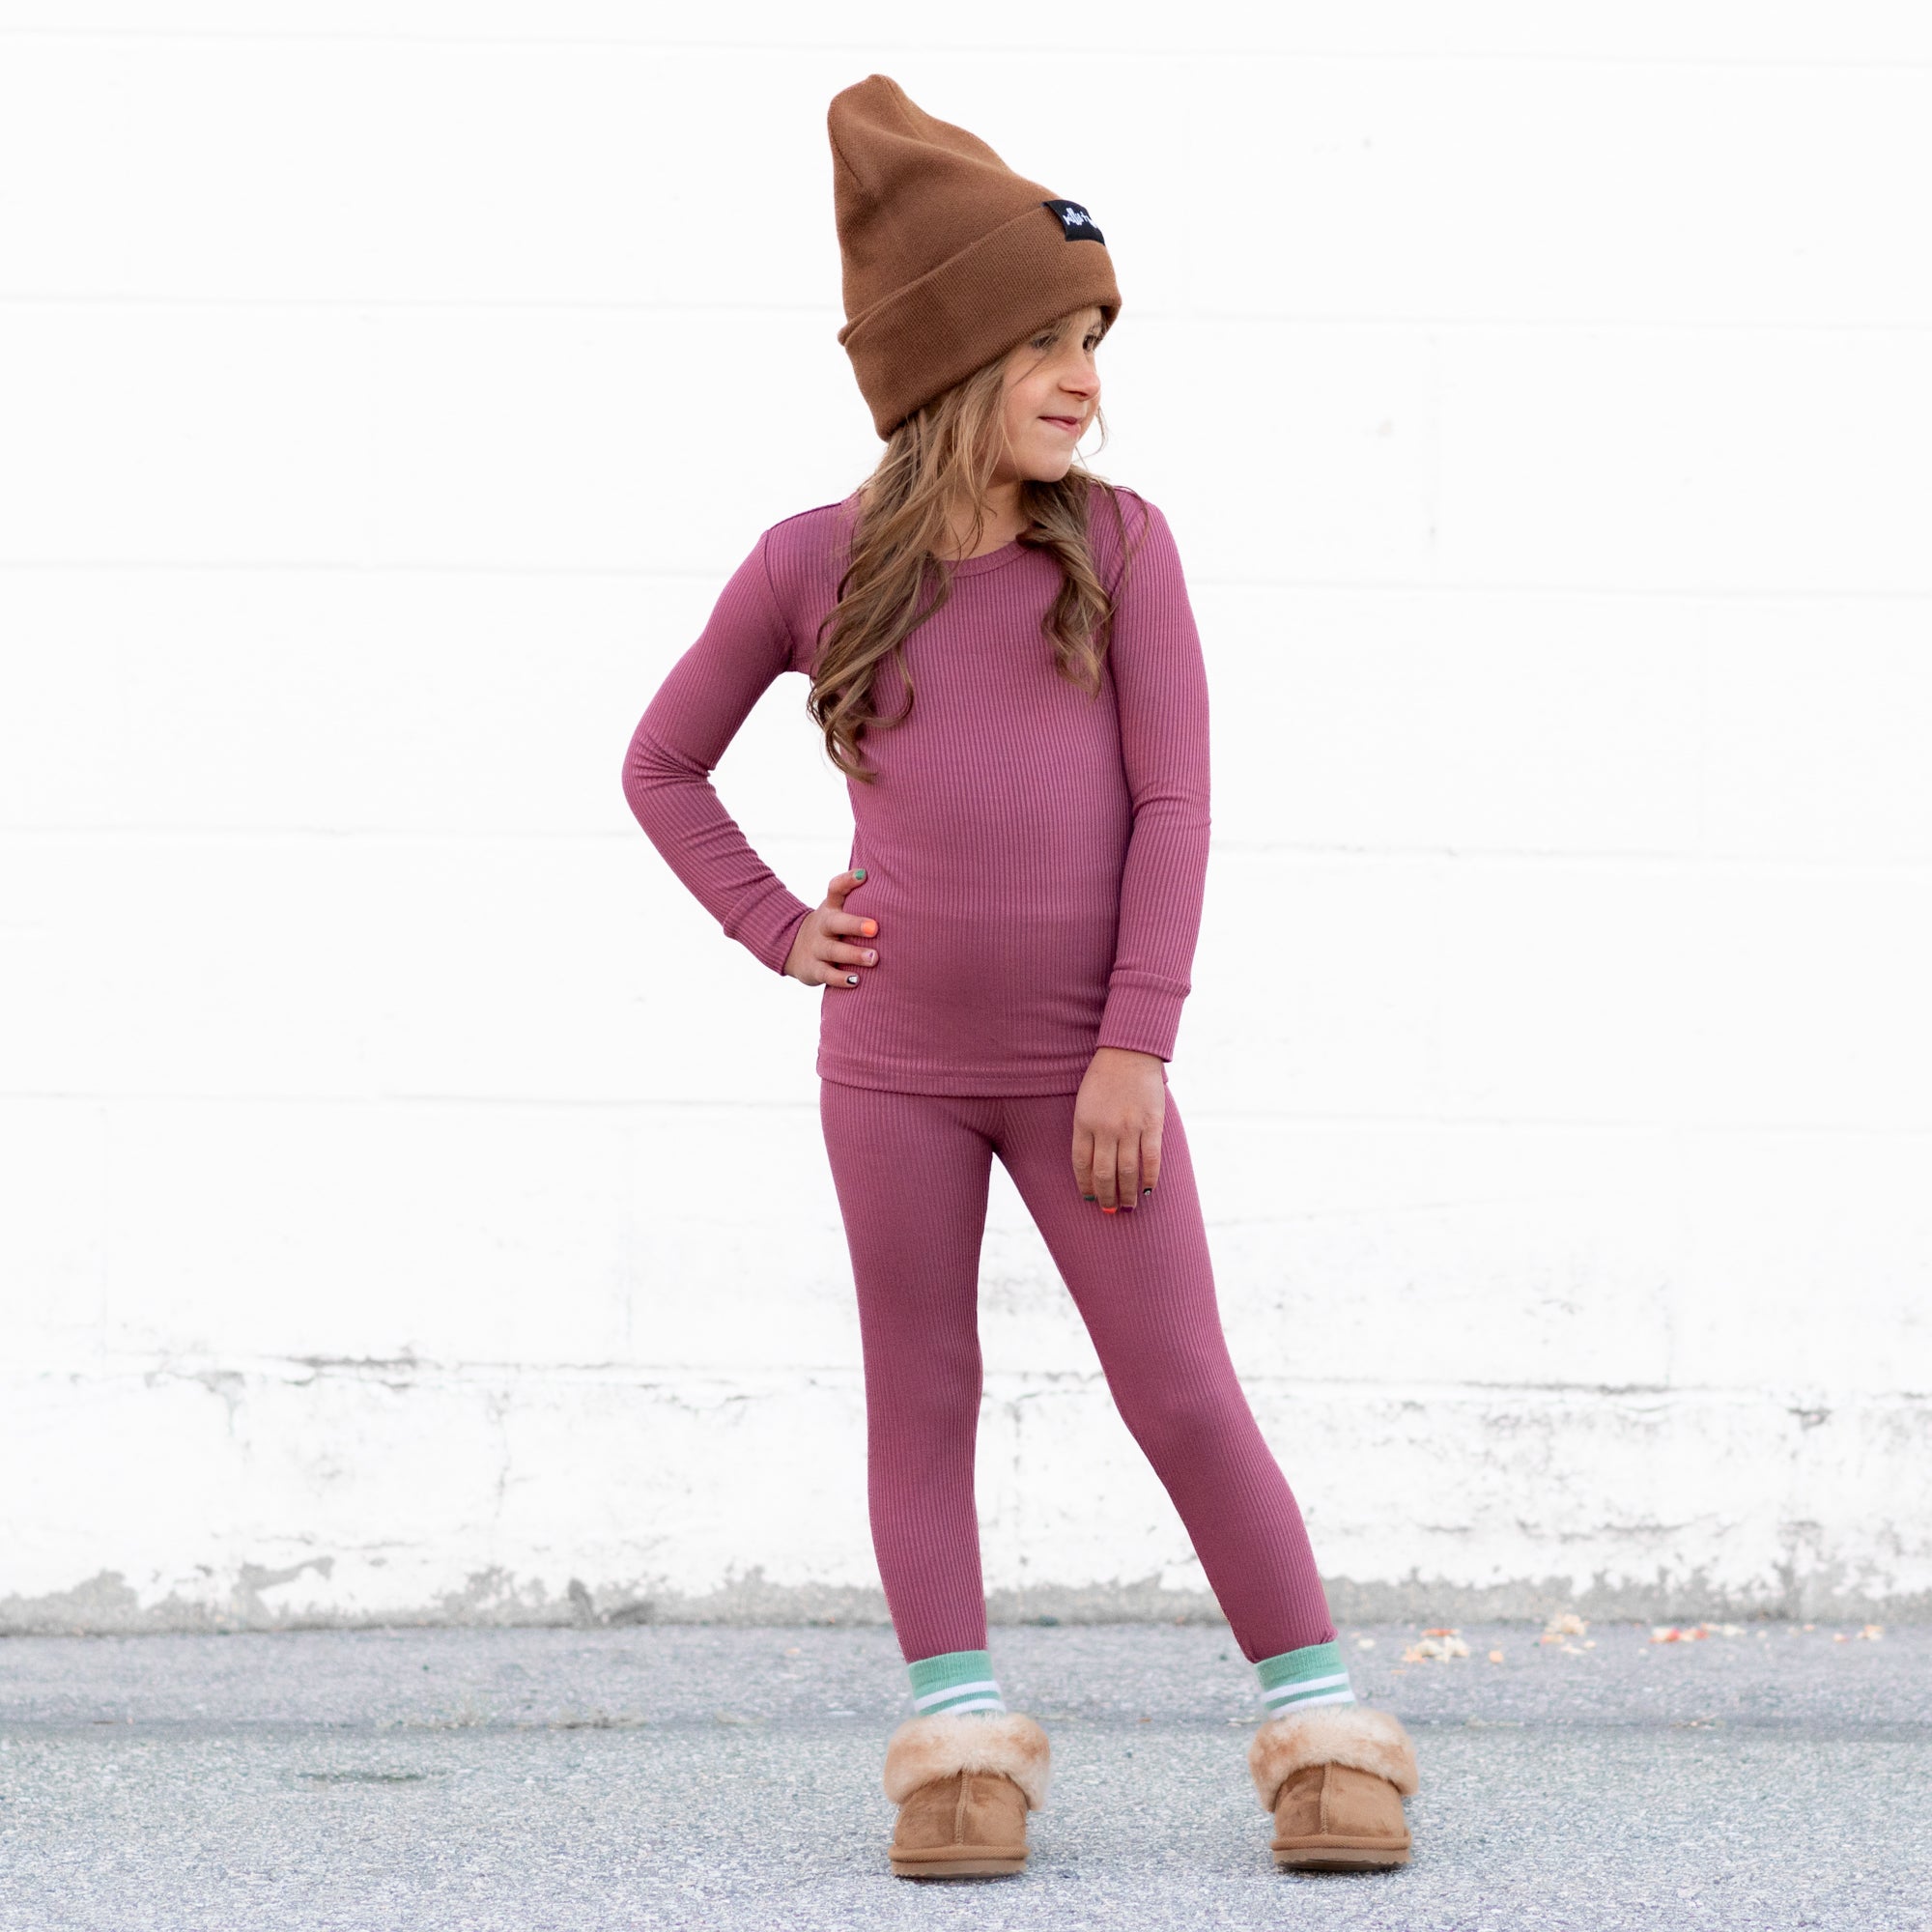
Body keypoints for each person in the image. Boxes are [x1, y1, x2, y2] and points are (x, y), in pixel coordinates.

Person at [621, 72, 1419, 1880]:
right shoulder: (809, 565)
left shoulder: (1121, 548)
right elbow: (661, 766)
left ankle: (1321, 1729)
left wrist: (1136, 1043)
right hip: (890, 1071)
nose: (1083, 376)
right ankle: (959, 1750)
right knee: (923, 1390)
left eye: (1094, 341)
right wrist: (779, 926)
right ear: (943, 362)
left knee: (1180, 1387)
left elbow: (1175, 802)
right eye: (1046, 340)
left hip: (1085, 1070)